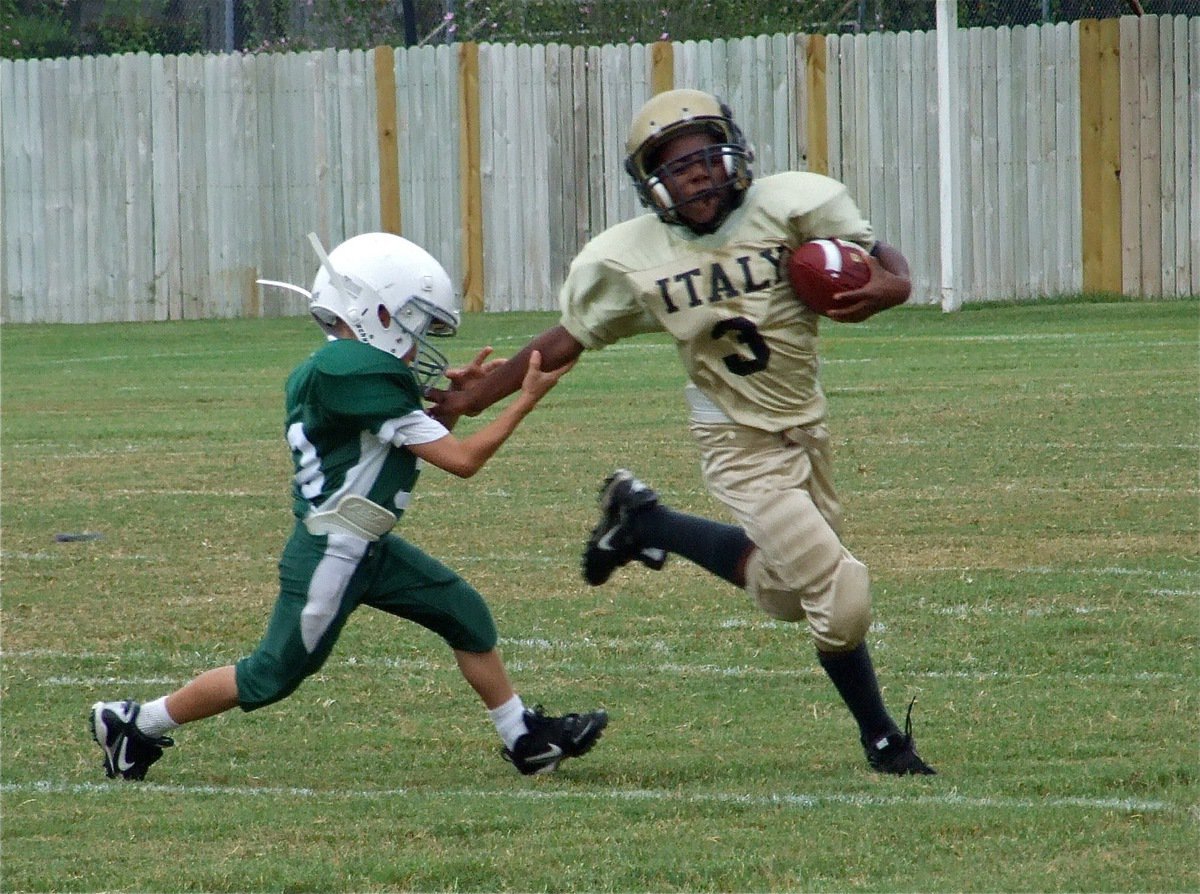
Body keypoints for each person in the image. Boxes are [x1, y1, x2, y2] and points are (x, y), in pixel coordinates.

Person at [427, 89, 934, 775]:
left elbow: (875, 252)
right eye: (674, 164)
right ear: (652, 185)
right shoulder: (637, 259)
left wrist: (896, 284)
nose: (695, 173)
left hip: (806, 430)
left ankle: (646, 523)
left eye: (703, 155)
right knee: (840, 598)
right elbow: (569, 337)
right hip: (736, 442)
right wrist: (481, 393)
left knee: (787, 595)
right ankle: (884, 744)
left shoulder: (789, 208)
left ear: (733, 154)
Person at [89, 231, 607, 781]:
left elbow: (412, 442)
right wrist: (524, 398)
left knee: (464, 614)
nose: (416, 345)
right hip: (334, 549)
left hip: (366, 542)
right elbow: (462, 461)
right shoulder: (346, 372)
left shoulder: (348, 373)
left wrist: (458, 404)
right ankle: (136, 724)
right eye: (413, 327)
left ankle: (522, 737)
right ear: (374, 311)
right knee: (271, 676)